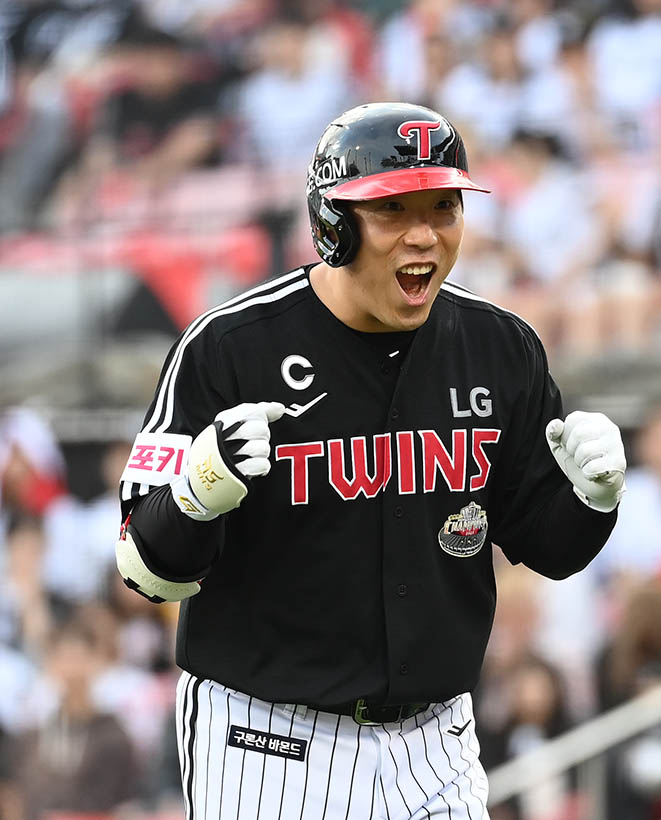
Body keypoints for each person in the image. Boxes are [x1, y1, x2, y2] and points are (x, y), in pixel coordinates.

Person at [113, 101, 627, 819]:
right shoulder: (228, 348)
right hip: (269, 744)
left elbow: (550, 548)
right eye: (393, 212)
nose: (425, 236)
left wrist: (594, 499)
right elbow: (144, 569)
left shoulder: (501, 347)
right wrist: (198, 493)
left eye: (444, 208)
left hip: (435, 743)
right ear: (334, 224)